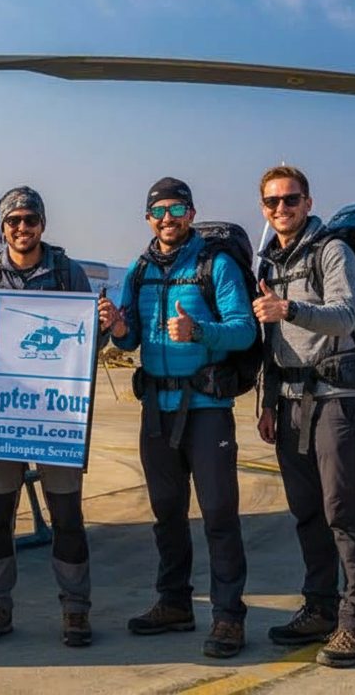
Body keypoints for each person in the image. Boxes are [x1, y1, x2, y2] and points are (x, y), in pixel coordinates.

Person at [108, 177, 256, 659]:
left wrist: (198, 331)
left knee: (218, 514)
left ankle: (229, 616)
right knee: (167, 513)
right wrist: (119, 326)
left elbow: (244, 331)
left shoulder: (216, 265)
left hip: (206, 409)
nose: (167, 219)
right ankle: (174, 603)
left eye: (176, 209)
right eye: (158, 211)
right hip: (156, 409)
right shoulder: (138, 269)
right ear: (148, 218)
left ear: (191, 213)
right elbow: (129, 339)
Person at [0, 185, 112, 648]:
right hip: (0, 420)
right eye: (13, 221)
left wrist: (104, 325)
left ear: (42, 224)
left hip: (56, 421)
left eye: (30, 220)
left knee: (66, 517)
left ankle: (75, 610)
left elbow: (89, 343)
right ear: (3, 227)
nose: (22, 228)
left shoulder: (67, 273)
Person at [253, 165, 355, 668]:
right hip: (289, 403)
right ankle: (320, 608)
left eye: (290, 199)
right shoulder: (271, 260)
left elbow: (345, 315)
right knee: (307, 512)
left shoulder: (332, 251)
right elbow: (271, 342)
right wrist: (267, 403)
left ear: (308, 202)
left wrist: (290, 309)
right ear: (263, 208)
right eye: (272, 202)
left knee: (343, 511)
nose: (281, 209)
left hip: (336, 398)